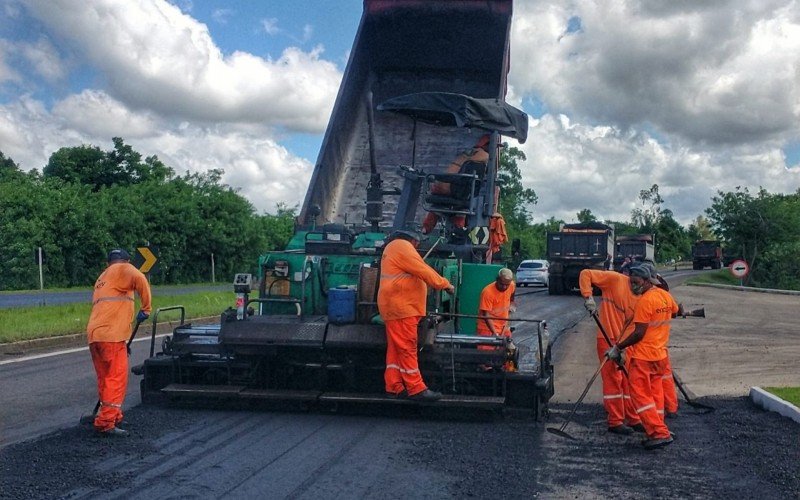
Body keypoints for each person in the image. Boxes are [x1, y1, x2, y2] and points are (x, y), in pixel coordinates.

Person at [606, 263, 679, 450]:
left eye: (636, 282)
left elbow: (638, 333)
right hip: (660, 355)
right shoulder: (665, 295)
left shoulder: (645, 301)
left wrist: (618, 347)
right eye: (630, 282)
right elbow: (675, 311)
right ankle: (659, 427)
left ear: (647, 281)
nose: (632, 286)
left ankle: (659, 433)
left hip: (644, 357)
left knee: (640, 396)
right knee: (655, 394)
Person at [377, 230, 455, 401]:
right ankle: (416, 388)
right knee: (407, 348)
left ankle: (394, 386)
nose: (418, 246)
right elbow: (423, 270)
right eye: (418, 243)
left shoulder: (393, 247)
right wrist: (445, 284)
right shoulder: (402, 246)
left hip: (395, 307)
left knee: (396, 349)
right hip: (402, 308)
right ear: (413, 240)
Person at [87, 248, 151, 436]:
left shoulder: (103, 277)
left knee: (105, 377)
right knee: (116, 378)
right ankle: (106, 422)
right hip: (111, 335)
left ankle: (112, 415)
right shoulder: (125, 268)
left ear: (108, 263)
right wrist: (146, 308)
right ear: (126, 260)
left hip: (95, 335)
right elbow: (141, 279)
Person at [579, 269, 643, 435]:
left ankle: (634, 418)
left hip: (624, 343)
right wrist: (588, 297)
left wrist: (621, 348)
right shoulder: (615, 280)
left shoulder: (642, 297)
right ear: (631, 276)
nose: (637, 286)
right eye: (635, 281)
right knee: (613, 379)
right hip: (606, 338)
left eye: (641, 283)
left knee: (629, 379)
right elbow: (586, 273)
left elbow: (634, 326)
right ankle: (615, 421)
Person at [421, 134, 490, 235]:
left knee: (437, 202)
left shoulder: (470, 155)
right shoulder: (485, 159)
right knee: (455, 207)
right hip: (463, 194)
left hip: (456, 191)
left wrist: (437, 178)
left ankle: (424, 230)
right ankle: (457, 230)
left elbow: (453, 173)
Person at [476, 268, 516, 352]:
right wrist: (495, 334)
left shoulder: (511, 285)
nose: (504, 287)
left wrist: (511, 305)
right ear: (497, 279)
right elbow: (486, 315)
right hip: (487, 328)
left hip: (503, 326)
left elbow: (512, 296)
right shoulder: (487, 292)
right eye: (502, 284)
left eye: (507, 285)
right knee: (486, 356)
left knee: (507, 354)